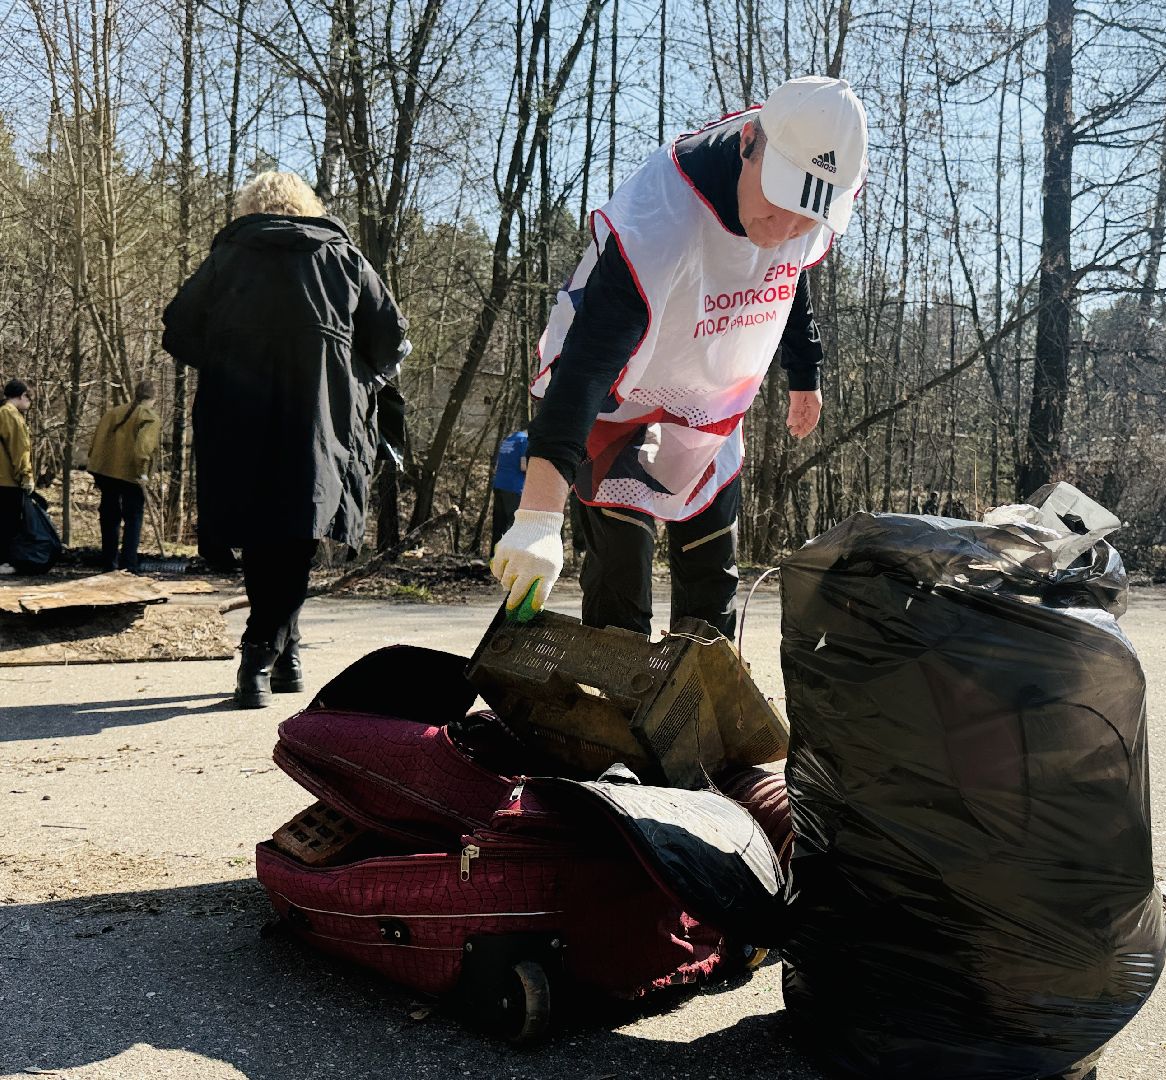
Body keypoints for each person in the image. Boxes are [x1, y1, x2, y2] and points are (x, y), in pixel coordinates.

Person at [491, 76, 869, 639]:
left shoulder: (795, 213)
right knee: (621, 577)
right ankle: (614, 710)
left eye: (808, 215)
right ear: (748, 143)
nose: (788, 229)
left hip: (705, 404)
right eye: (781, 202)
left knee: (711, 574)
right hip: (614, 402)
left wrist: (804, 371)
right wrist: (538, 516)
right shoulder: (658, 221)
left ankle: (694, 717)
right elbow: (590, 361)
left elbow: (789, 279)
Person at [161, 170, 410, 708]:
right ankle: (264, 653)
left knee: (261, 531)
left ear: (251, 206)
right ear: (308, 206)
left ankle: (278, 651)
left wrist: (228, 358)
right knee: (299, 527)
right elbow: (390, 336)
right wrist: (343, 367)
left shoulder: (229, 258)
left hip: (238, 414)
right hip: (317, 417)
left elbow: (178, 326)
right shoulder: (341, 257)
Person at [88, 379, 160, 572]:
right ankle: (129, 565)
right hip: (131, 474)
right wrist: (142, 471)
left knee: (110, 516)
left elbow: (96, 441)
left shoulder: (113, 412)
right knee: (133, 517)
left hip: (106, 471)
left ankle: (108, 564)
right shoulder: (148, 416)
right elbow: (143, 448)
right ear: (154, 398)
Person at [0, 378, 35, 575]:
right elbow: (20, 449)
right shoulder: (11, 415)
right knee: (8, 523)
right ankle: (4, 561)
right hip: (7, 479)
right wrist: (26, 475)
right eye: (29, 398)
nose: (29, 404)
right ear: (22, 396)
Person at [491, 429, 528, 557]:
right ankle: (509, 560)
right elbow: (524, 466)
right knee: (513, 525)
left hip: (499, 484)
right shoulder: (524, 441)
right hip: (514, 487)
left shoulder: (509, 439)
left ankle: (494, 558)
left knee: (498, 524)